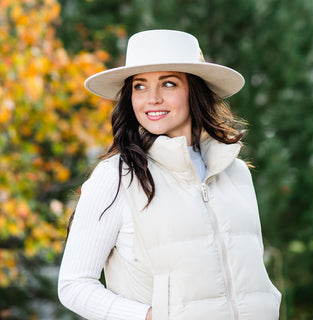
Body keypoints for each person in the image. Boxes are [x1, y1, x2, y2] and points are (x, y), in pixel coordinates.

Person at [58, 29, 281, 320]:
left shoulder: (235, 172)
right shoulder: (116, 176)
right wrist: (151, 317)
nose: (152, 98)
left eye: (168, 83)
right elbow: (74, 285)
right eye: (139, 86)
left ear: (195, 91)